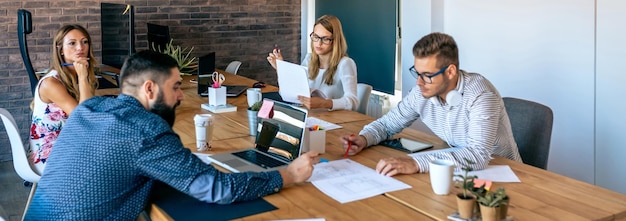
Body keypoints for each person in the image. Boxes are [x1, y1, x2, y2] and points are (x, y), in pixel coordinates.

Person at [24, 50, 319, 220]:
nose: (180, 96)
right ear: (149, 89)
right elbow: (216, 189)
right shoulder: (146, 130)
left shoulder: (91, 108)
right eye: (176, 86)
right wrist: (288, 176)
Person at [340, 32, 522, 176]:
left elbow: (476, 155)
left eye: (427, 75)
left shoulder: (481, 94)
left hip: (505, 173)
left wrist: (416, 162)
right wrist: (364, 138)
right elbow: (387, 124)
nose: (419, 82)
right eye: (417, 73)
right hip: (459, 172)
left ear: (450, 71)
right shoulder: (423, 92)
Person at [28, 24, 98, 172]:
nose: (80, 48)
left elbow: (91, 110)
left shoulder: (75, 76)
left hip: (70, 144)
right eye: (72, 43)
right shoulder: (51, 83)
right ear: (60, 49)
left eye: (85, 42)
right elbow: (84, 118)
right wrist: (83, 77)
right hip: (49, 155)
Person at [267, 15, 358, 111]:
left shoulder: (346, 63)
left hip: (335, 120)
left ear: (335, 40)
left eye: (325, 39)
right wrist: (281, 69)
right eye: (316, 37)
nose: (319, 43)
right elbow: (291, 94)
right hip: (312, 116)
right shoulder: (309, 59)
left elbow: (353, 101)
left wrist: (324, 103)